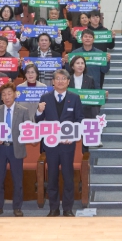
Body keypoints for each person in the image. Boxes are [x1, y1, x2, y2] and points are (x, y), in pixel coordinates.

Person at [36, 69, 84, 216]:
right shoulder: (45, 97)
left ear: (68, 82)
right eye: (58, 79)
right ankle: (54, 208)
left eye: (64, 79)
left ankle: (68, 208)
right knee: (52, 177)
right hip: (50, 145)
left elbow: (79, 120)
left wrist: (73, 135)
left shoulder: (74, 98)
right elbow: (38, 121)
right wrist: (39, 111)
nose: (61, 81)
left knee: (68, 177)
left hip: (67, 145)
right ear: (53, 81)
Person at [0, 82, 32, 217]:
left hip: (15, 148)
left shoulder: (23, 111)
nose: (7, 97)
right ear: (1, 97)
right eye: (4, 94)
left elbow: (28, 130)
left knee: (17, 180)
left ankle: (17, 207)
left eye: (9, 94)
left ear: (15, 95)